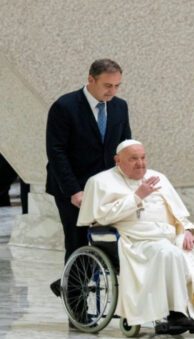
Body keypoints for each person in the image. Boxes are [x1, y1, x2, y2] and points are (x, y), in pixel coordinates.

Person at [77, 140, 194, 334]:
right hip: (134, 240)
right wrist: (137, 197)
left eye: (143, 158)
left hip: (170, 235)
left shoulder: (158, 177)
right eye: (133, 159)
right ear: (118, 160)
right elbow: (101, 217)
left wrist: (185, 230)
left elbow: (178, 212)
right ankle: (174, 313)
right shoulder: (100, 181)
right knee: (169, 253)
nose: (141, 163)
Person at [46, 59, 131, 298]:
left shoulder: (120, 107)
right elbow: (56, 152)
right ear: (90, 80)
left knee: (112, 241)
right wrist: (74, 190)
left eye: (117, 86)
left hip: (107, 186)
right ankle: (77, 309)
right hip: (73, 186)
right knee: (77, 242)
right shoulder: (65, 106)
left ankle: (65, 282)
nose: (112, 92)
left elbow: (124, 147)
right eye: (107, 85)